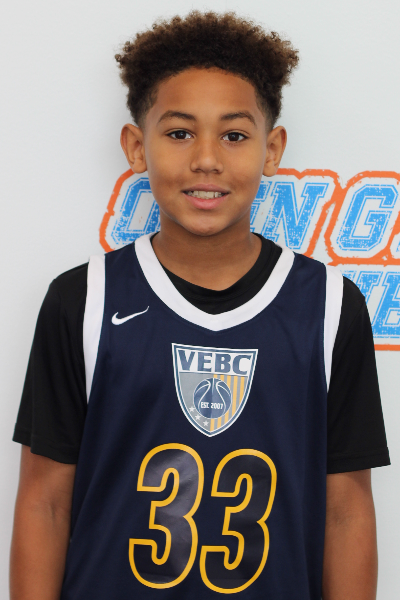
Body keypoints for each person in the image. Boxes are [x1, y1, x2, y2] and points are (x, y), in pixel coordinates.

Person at [10, 11, 390, 600]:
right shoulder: (82, 299)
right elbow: (45, 501)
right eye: (179, 133)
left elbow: (345, 509)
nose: (207, 159)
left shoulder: (331, 306)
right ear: (136, 147)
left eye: (234, 135)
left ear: (272, 149)